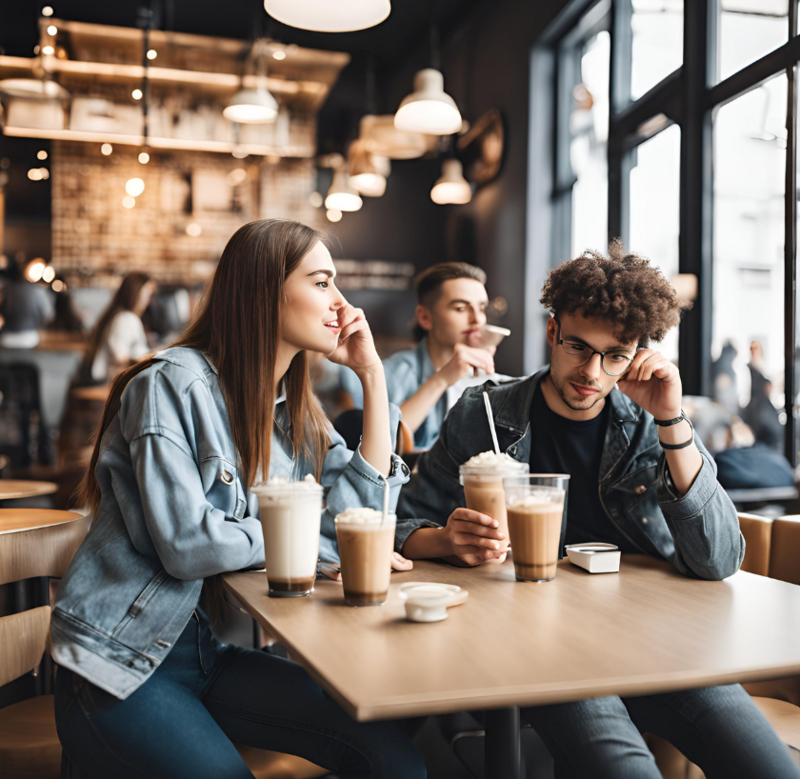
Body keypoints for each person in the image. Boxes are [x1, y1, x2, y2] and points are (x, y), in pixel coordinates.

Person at [395, 241, 800, 778]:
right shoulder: (486, 411)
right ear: (551, 332)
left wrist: (672, 420)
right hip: (541, 645)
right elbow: (402, 524)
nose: (592, 371)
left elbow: (720, 559)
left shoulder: (652, 426)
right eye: (578, 347)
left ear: (636, 354)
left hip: (655, 641)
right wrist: (446, 540)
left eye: (616, 354)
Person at [52, 220, 425, 779]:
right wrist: (302, 536)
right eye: (322, 283)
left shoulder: (291, 411)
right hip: (116, 666)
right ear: (264, 289)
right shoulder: (171, 385)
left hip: (203, 658)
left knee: (395, 756)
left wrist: (373, 376)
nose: (344, 305)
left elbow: (360, 519)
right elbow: (188, 545)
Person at [343, 262, 503, 449]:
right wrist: (441, 380)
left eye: (482, 308)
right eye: (460, 308)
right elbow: (378, 446)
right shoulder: (392, 373)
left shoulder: (488, 379)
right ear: (425, 317)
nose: (477, 319)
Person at [81, 272, 156, 385]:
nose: (149, 301)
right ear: (136, 293)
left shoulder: (120, 316)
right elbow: (119, 358)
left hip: (111, 383)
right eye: (148, 294)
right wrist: (151, 357)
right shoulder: (126, 319)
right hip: (112, 386)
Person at [0, 257, 54, 348]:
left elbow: (2, 310)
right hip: (30, 338)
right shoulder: (37, 290)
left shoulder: (6, 290)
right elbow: (48, 315)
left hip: (7, 338)